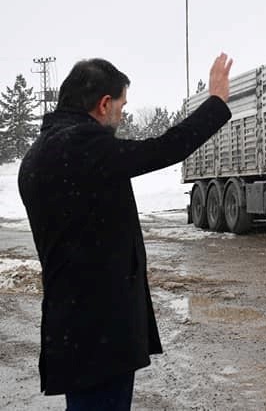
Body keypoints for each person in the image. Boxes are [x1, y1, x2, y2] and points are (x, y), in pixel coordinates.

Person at [18, 53, 233, 409]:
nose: (122, 114)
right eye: (121, 105)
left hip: (73, 325)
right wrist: (216, 103)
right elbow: (166, 147)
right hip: (101, 332)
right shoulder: (85, 148)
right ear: (104, 104)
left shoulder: (38, 154)